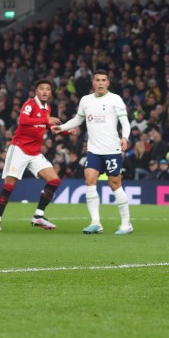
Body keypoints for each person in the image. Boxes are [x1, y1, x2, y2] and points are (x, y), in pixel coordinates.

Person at [53, 69, 133, 234]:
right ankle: (96, 222)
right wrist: (62, 127)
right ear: (93, 83)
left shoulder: (115, 99)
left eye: (104, 80)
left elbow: (125, 122)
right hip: (94, 150)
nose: (100, 83)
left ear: (108, 83)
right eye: (97, 80)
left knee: (114, 184)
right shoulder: (85, 100)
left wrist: (125, 137)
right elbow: (78, 119)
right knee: (89, 181)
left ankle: (126, 224)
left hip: (112, 149)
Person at [0, 79, 65, 231]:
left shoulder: (47, 107)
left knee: (54, 181)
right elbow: (23, 120)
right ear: (36, 91)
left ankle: (38, 216)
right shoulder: (30, 104)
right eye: (42, 89)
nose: (45, 91)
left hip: (34, 152)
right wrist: (46, 119)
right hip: (19, 148)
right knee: (10, 183)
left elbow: (51, 126)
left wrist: (66, 130)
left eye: (48, 89)